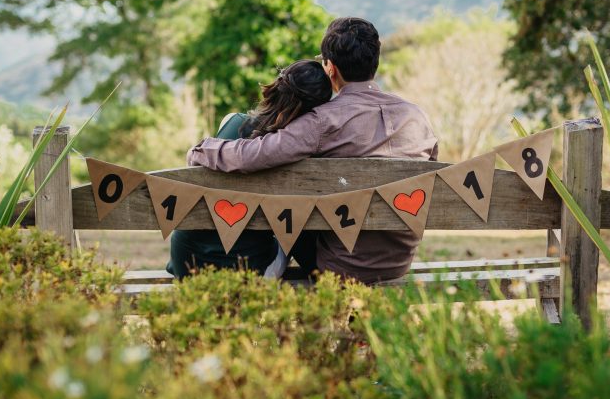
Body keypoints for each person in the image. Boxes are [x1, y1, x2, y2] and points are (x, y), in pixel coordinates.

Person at [188, 17, 438, 284]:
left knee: (287, 203)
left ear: (330, 68)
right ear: (375, 63)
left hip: (338, 266)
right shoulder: (417, 117)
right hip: (397, 263)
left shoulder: (322, 121)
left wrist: (202, 150)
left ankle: (268, 272)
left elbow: (253, 155)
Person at [167, 59, 331, 279]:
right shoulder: (292, 152)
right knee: (292, 225)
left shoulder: (231, 121)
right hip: (247, 271)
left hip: (185, 262)